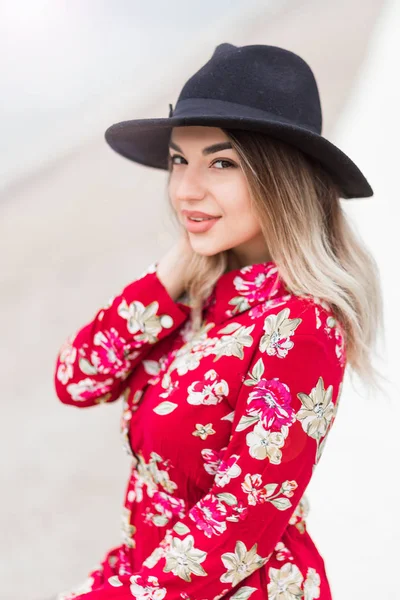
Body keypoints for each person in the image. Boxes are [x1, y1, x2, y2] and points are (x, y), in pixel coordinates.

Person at [51, 44, 384, 600]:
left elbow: (243, 522)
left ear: (284, 178)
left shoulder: (301, 324)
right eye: (180, 159)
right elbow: (78, 379)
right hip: (144, 574)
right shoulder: (193, 292)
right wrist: (170, 276)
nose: (185, 189)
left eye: (221, 163)